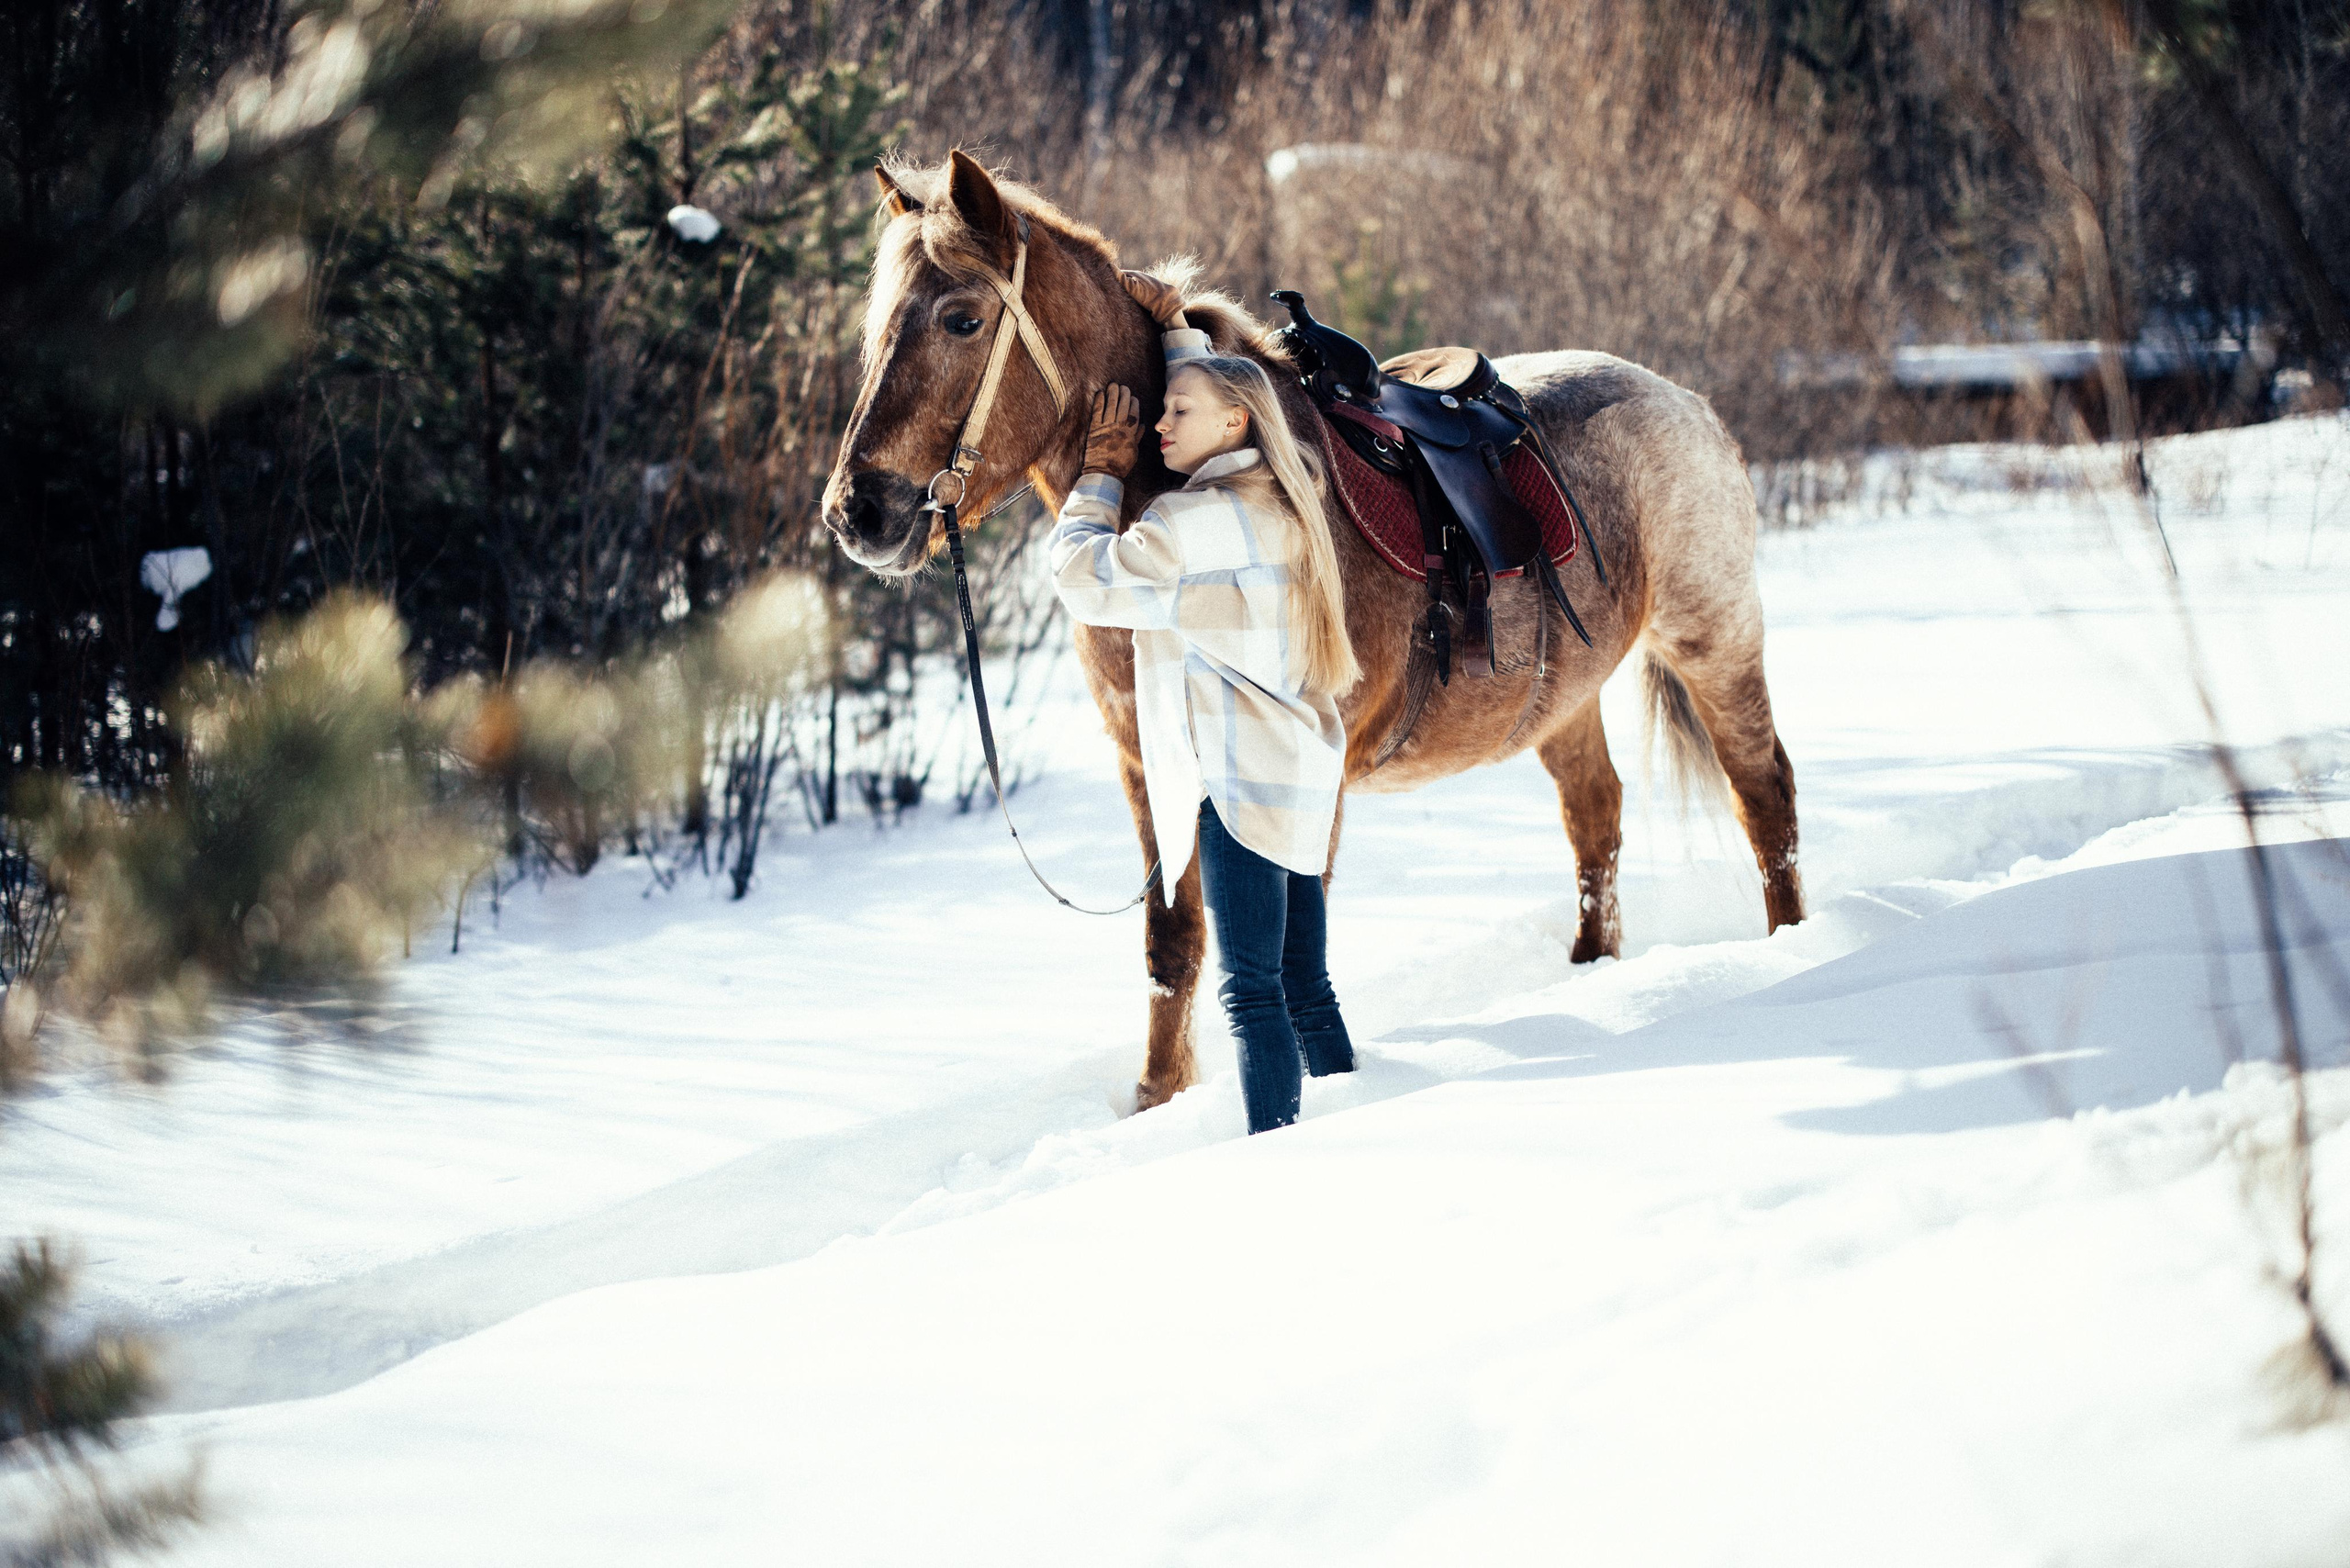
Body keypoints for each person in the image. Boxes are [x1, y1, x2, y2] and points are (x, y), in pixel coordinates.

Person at [1046, 272, 1363, 1134]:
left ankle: (1277, 1151)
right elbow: (1227, 397)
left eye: (1175, 412)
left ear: (1232, 425)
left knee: (1251, 994)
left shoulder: (1190, 527)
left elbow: (1082, 579)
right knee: (1306, 983)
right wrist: (1178, 334)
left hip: (1239, 788)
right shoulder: (1290, 502)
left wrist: (1100, 477)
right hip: (1300, 772)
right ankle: (1356, 1114)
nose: (1158, 424)